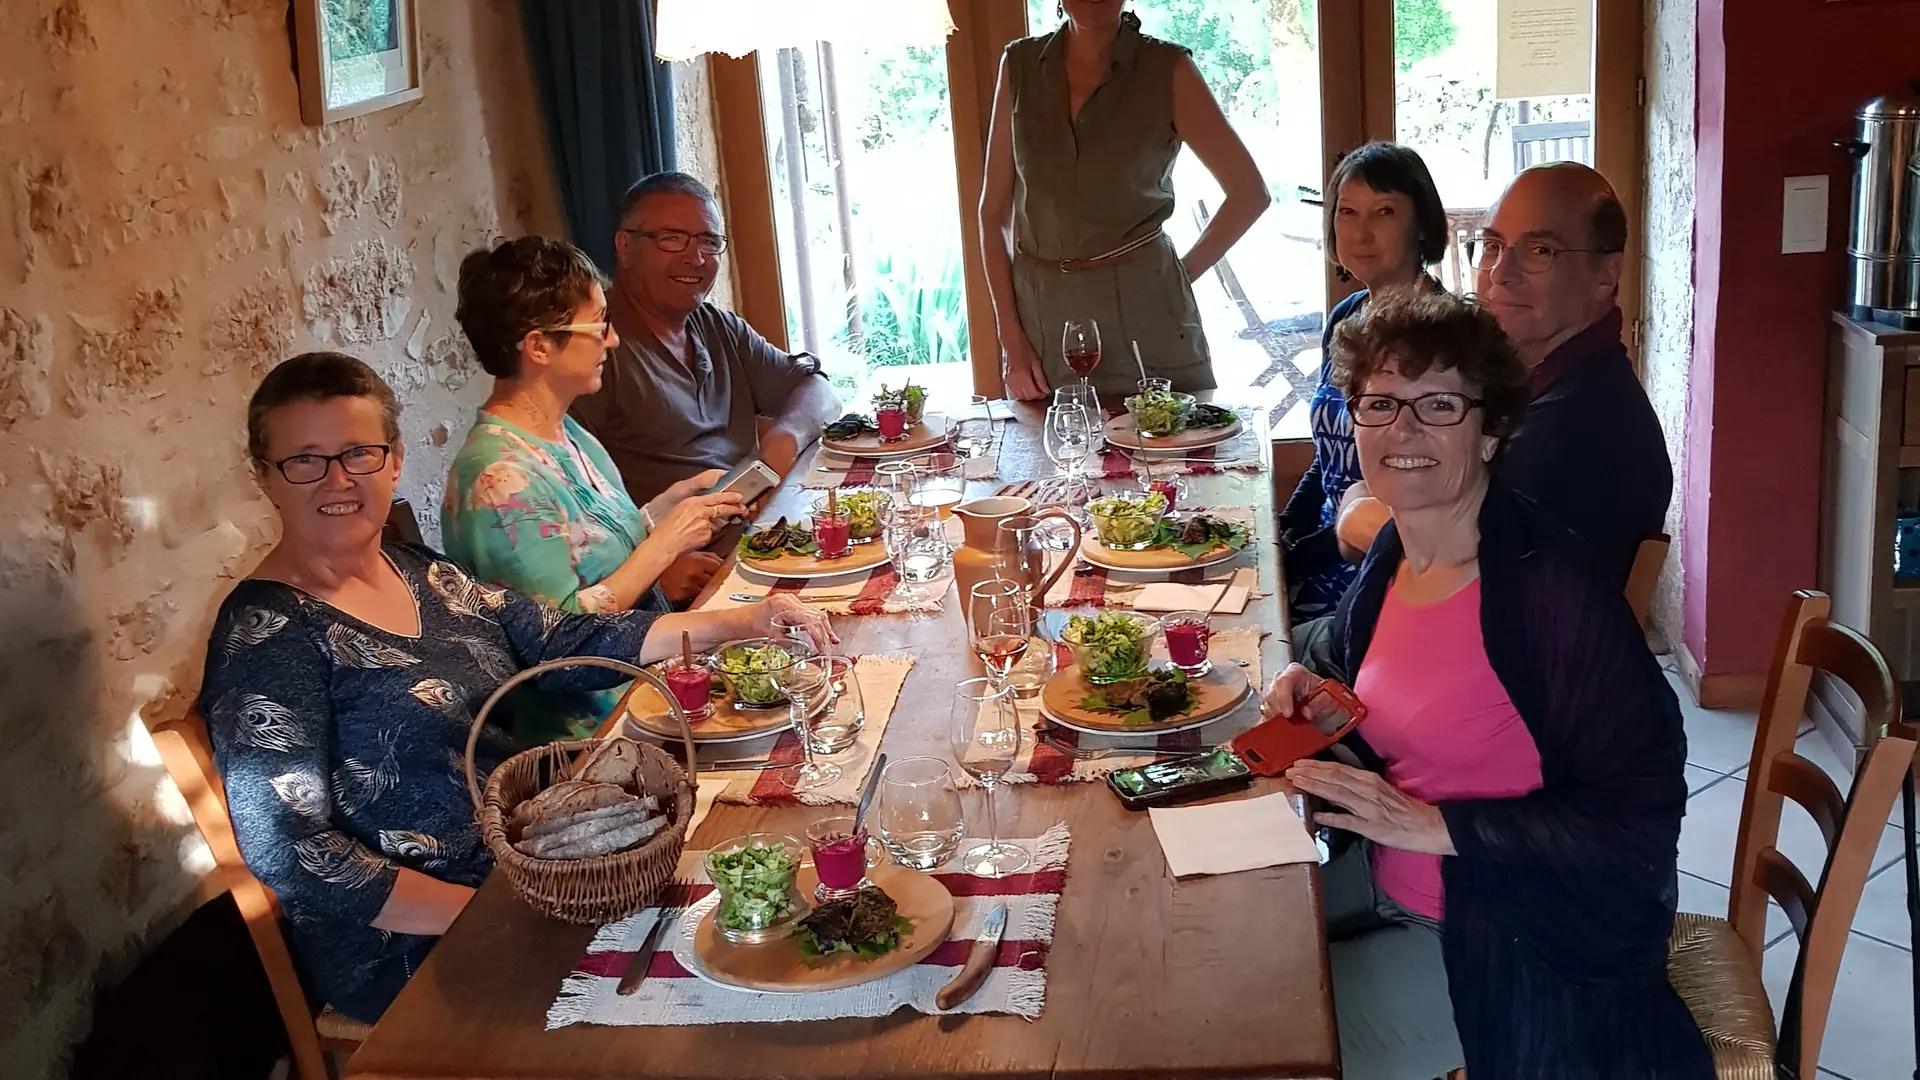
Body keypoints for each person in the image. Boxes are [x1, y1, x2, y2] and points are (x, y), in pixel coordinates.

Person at [199, 353, 831, 1023]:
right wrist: (484, 914)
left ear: (393, 460)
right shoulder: (268, 636)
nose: (338, 480)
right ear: (265, 478)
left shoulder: (418, 572)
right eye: (305, 460)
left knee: (757, 904)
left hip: (536, 866)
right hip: (417, 943)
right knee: (704, 997)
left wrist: (746, 619)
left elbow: (561, 639)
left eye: (358, 453)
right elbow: (291, 851)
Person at [1263, 292, 1709, 1080]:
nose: (1403, 430)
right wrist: (1320, 693)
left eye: (1438, 405)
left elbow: (1640, 816)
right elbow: (1412, 702)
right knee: (1220, 942)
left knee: (1252, 1045)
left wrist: (1440, 827)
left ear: (1494, 428)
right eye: (1381, 403)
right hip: (1383, 881)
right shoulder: (1398, 549)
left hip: (1507, 941)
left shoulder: (1548, 589)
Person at [1334, 162, 1671, 590]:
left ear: (1606, 275)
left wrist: (1354, 514)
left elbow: (1444, 560)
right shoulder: (1534, 387)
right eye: (1493, 245)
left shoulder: (1579, 425)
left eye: (1540, 250)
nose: (1499, 273)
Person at [978, 0, 1269, 401]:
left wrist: (1178, 276)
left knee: (1172, 458)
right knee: (1053, 455)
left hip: (1147, 313)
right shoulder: (1019, 66)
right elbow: (993, 216)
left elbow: (1249, 193)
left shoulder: (1168, 69)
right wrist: (1010, 338)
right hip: (1042, 321)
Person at [443, 236, 744, 616]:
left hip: (647, 646)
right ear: (539, 347)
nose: (613, 340)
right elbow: (559, 634)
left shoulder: (564, 432)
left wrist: (665, 509)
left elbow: (592, 551)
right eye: (600, 326)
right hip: (611, 674)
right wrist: (666, 545)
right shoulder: (498, 480)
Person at [570, 171, 841, 519]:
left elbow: (819, 389)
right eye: (672, 239)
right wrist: (657, 559)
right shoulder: (593, 346)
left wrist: (783, 440)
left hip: (757, 529)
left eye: (709, 242)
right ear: (625, 246)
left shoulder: (718, 326)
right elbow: (575, 504)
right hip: (678, 555)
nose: (695, 258)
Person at [1281, 142, 1447, 622]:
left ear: (1420, 227)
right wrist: (1287, 531)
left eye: (1384, 212)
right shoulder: (1347, 318)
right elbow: (1328, 457)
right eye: (1347, 212)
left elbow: (1441, 499)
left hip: (1389, 569)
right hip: (1328, 547)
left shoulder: (1444, 335)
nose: (1361, 231)